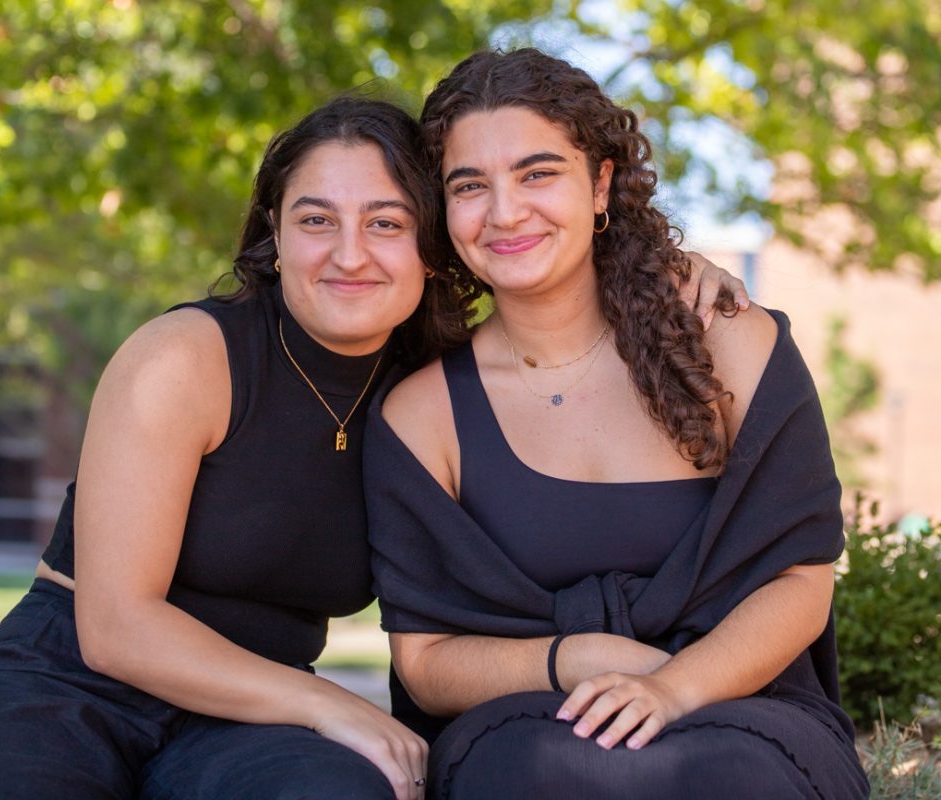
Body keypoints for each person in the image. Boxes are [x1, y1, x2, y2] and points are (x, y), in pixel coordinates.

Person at [0, 95, 746, 800]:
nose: (350, 255)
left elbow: (564, 303)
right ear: (275, 230)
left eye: (385, 222)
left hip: (250, 714)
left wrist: (677, 272)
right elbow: (116, 627)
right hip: (67, 683)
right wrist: (332, 707)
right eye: (317, 220)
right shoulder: (187, 358)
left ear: (429, 242)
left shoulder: (436, 390)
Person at [367, 49, 870, 799]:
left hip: (746, 713)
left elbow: (800, 580)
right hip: (529, 726)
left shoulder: (724, 341)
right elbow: (428, 660)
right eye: (470, 185)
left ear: (601, 182)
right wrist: (577, 659)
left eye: (537, 173)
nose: (504, 212)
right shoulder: (423, 414)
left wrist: (672, 690)